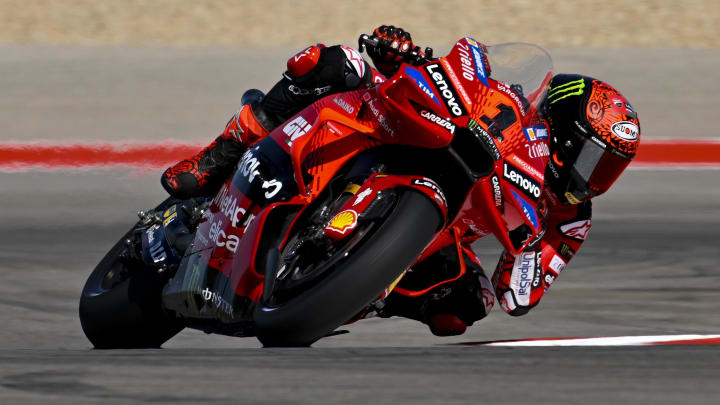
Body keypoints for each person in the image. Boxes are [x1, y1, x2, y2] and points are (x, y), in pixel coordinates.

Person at [161, 26, 641, 336]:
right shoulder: (506, 103)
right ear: (558, 124)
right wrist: (402, 56)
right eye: (592, 158)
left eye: (608, 169)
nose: (592, 177)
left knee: (466, 308)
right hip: (376, 129)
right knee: (335, 62)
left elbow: (519, 296)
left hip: (440, 231)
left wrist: (526, 257)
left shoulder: (570, 218)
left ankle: (354, 290)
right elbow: (451, 75)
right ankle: (216, 158)